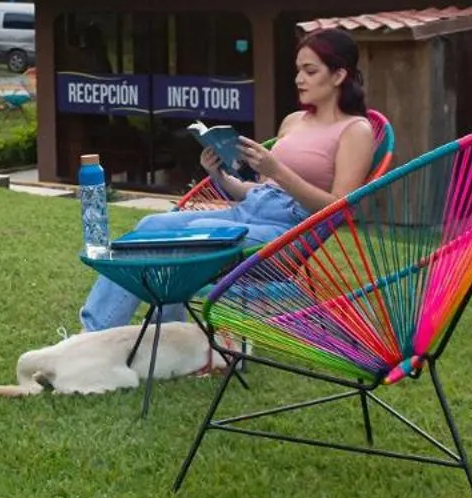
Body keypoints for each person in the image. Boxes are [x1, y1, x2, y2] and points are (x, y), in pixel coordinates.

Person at [76, 27, 379, 332]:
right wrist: (217, 174)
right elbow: (259, 191)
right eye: (298, 69)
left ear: (339, 76)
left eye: (310, 71)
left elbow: (340, 207)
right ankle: (114, 329)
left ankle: (136, 333)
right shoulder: (293, 121)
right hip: (249, 211)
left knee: (195, 235)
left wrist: (277, 171)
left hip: (287, 233)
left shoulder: (355, 130)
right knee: (150, 227)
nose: (299, 78)